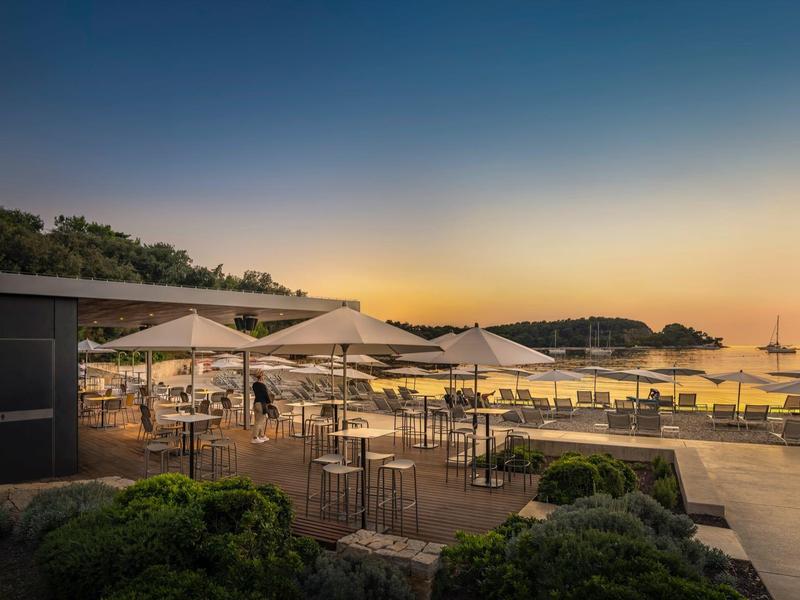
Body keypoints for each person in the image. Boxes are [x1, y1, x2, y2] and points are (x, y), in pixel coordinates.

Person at [251, 373, 272, 443]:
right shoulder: (262, 385)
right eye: (263, 376)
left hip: (255, 403)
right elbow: (266, 395)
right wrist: (269, 402)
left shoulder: (254, 385)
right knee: (259, 421)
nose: (264, 377)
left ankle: (262, 436)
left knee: (259, 421)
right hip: (261, 404)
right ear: (261, 378)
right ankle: (254, 437)